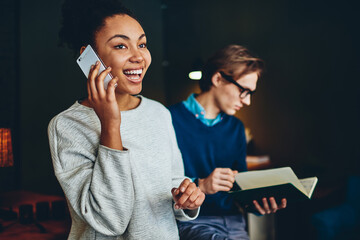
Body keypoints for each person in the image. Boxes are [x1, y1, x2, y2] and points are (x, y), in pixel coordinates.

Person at [47, 0, 205, 239]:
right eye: (121, 46)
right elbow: (107, 220)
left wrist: (189, 199)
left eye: (142, 44)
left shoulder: (159, 113)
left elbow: (173, 183)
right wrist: (110, 124)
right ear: (89, 57)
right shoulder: (67, 126)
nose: (138, 56)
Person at [168, 44, 287, 239]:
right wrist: (201, 185)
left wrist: (258, 204)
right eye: (243, 90)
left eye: (250, 93)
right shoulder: (168, 119)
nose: (247, 101)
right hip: (193, 221)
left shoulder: (236, 128)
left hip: (234, 222)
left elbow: (239, 190)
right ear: (217, 79)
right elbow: (157, 186)